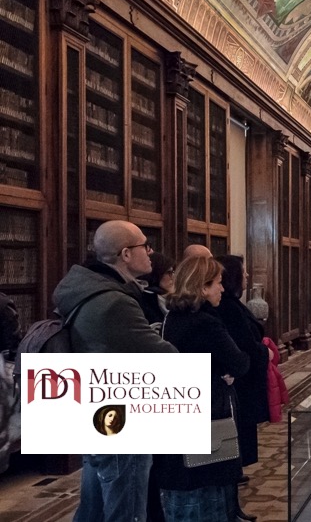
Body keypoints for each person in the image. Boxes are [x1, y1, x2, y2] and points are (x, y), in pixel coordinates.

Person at [52, 220, 177, 522]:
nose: (151, 252)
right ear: (126, 254)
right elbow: (165, 356)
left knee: (93, 508)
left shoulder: (88, 288)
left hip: (95, 408)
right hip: (120, 418)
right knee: (127, 510)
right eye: (145, 246)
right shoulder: (114, 302)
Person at [153, 256, 250, 522]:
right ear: (203, 287)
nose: (222, 289)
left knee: (185, 492)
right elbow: (240, 362)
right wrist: (224, 370)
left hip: (182, 409)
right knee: (206, 492)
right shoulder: (206, 322)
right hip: (207, 413)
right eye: (217, 283)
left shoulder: (173, 317)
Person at [214, 256, 269, 481]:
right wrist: (264, 352)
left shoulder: (232, 304)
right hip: (237, 381)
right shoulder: (227, 308)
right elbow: (241, 344)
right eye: (243, 271)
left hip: (242, 379)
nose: (247, 275)